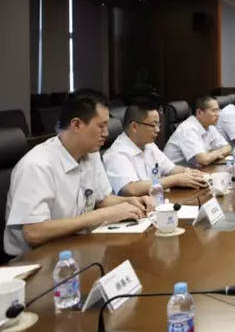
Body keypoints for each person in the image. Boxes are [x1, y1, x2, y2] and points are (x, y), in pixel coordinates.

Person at [4, 89, 154, 256]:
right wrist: (100, 215)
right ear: (76, 124)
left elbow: (101, 199)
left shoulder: (90, 153)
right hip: (37, 259)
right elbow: (34, 232)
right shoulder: (37, 165)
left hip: (76, 246)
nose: (106, 133)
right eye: (101, 126)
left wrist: (130, 202)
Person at [103, 102, 208, 196]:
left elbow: (171, 169)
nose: (158, 130)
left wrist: (189, 172)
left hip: (156, 201)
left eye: (158, 124)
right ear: (134, 127)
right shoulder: (117, 154)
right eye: (153, 125)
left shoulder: (149, 145)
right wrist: (175, 180)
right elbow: (132, 189)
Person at [164, 96, 231, 167]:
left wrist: (213, 154)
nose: (218, 114)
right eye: (214, 110)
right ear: (199, 112)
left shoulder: (209, 126)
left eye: (218, 110)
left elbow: (228, 147)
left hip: (194, 170)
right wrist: (215, 154)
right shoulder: (188, 129)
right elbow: (204, 160)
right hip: (174, 172)